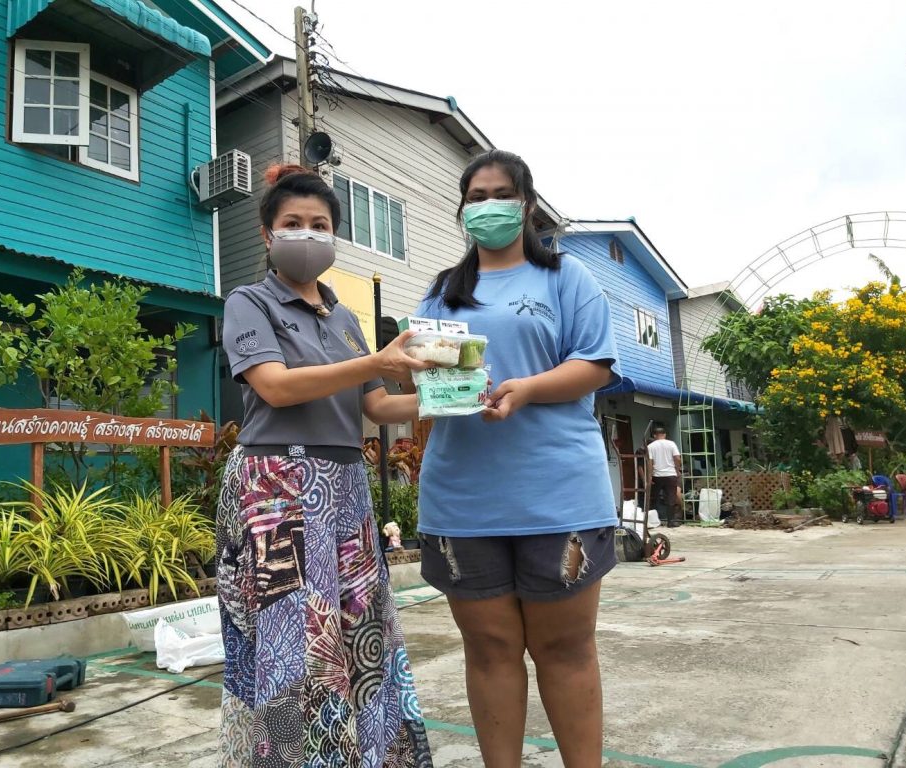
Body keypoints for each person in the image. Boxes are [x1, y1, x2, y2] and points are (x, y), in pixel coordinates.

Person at [217, 164, 433, 767]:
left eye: (320, 224)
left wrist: (451, 402)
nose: (307, 234)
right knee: (291, 639)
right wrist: (375, 363)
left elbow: (377, 407)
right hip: (276, 485)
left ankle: (369, 756)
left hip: (344, 485)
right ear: (267, 234)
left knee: (361, 629)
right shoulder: (249, 302)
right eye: (293, 223)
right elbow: (276, 387)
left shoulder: (345, 320)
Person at [414, 149, 621, 768]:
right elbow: (423, 380)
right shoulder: (443, 292)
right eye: (475, 196)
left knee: (565, 649)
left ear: (527, 205)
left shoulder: (567, 277)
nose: (488, 206)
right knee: (489, 649)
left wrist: (525, 389)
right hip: (462, 499)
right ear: (462, 209)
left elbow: (594, 365)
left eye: (501, 194)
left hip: (559, 495)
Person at [647, 426, 683, 528]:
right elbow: (677, 458)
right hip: (671, 474)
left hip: (657, 476)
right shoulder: (671, 444)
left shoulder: (650, 446)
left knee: (655, 498)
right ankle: (670, 522)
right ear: (665, 434)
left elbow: (650, 462)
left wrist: (649, 476)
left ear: (654, 435)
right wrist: (677, 469)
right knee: (671, 497)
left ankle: (654, 520)